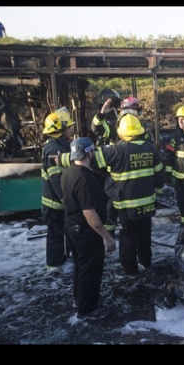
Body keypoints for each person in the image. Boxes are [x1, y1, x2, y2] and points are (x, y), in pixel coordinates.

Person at [89, 114, 164, 278]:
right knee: (145, 233)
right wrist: (157, 193)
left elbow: (90, 159)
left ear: (121, 132)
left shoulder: (118, 150)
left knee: (128, 235)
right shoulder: (151, 148)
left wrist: (62, 159)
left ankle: (130, 270)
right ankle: (145, 262)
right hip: (148, 203)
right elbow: (160, 176)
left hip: (127, 205)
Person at [60, 137, 116, 321]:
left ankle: (79, 299)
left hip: (71, 228)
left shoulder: (68, 173)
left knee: (81, 266)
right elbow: (89, 213)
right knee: (90, 269)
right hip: (85, 231)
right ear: (89, 153)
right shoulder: (85, 178)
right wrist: (106, 236)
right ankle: (87, 309)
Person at [91, 95, 145, 239]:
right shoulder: (116, 128)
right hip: (117, 177)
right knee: (112, 207)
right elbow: (96, 128)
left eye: (133, 110)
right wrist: (102, 113)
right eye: (127, 110)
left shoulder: (142, 130)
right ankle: (109, 235)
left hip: (136, 177)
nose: (130, 114)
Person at [41, 107, 76, 270]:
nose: (71, 129)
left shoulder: (58, 145)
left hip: (57, 203)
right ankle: (54, 265)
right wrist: (68, 201)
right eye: (68, 127)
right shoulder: (55, 149)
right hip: (55, 205)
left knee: (61, 234)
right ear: (59, 130)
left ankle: (61, 259)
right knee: (56, 235)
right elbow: (58, 181)